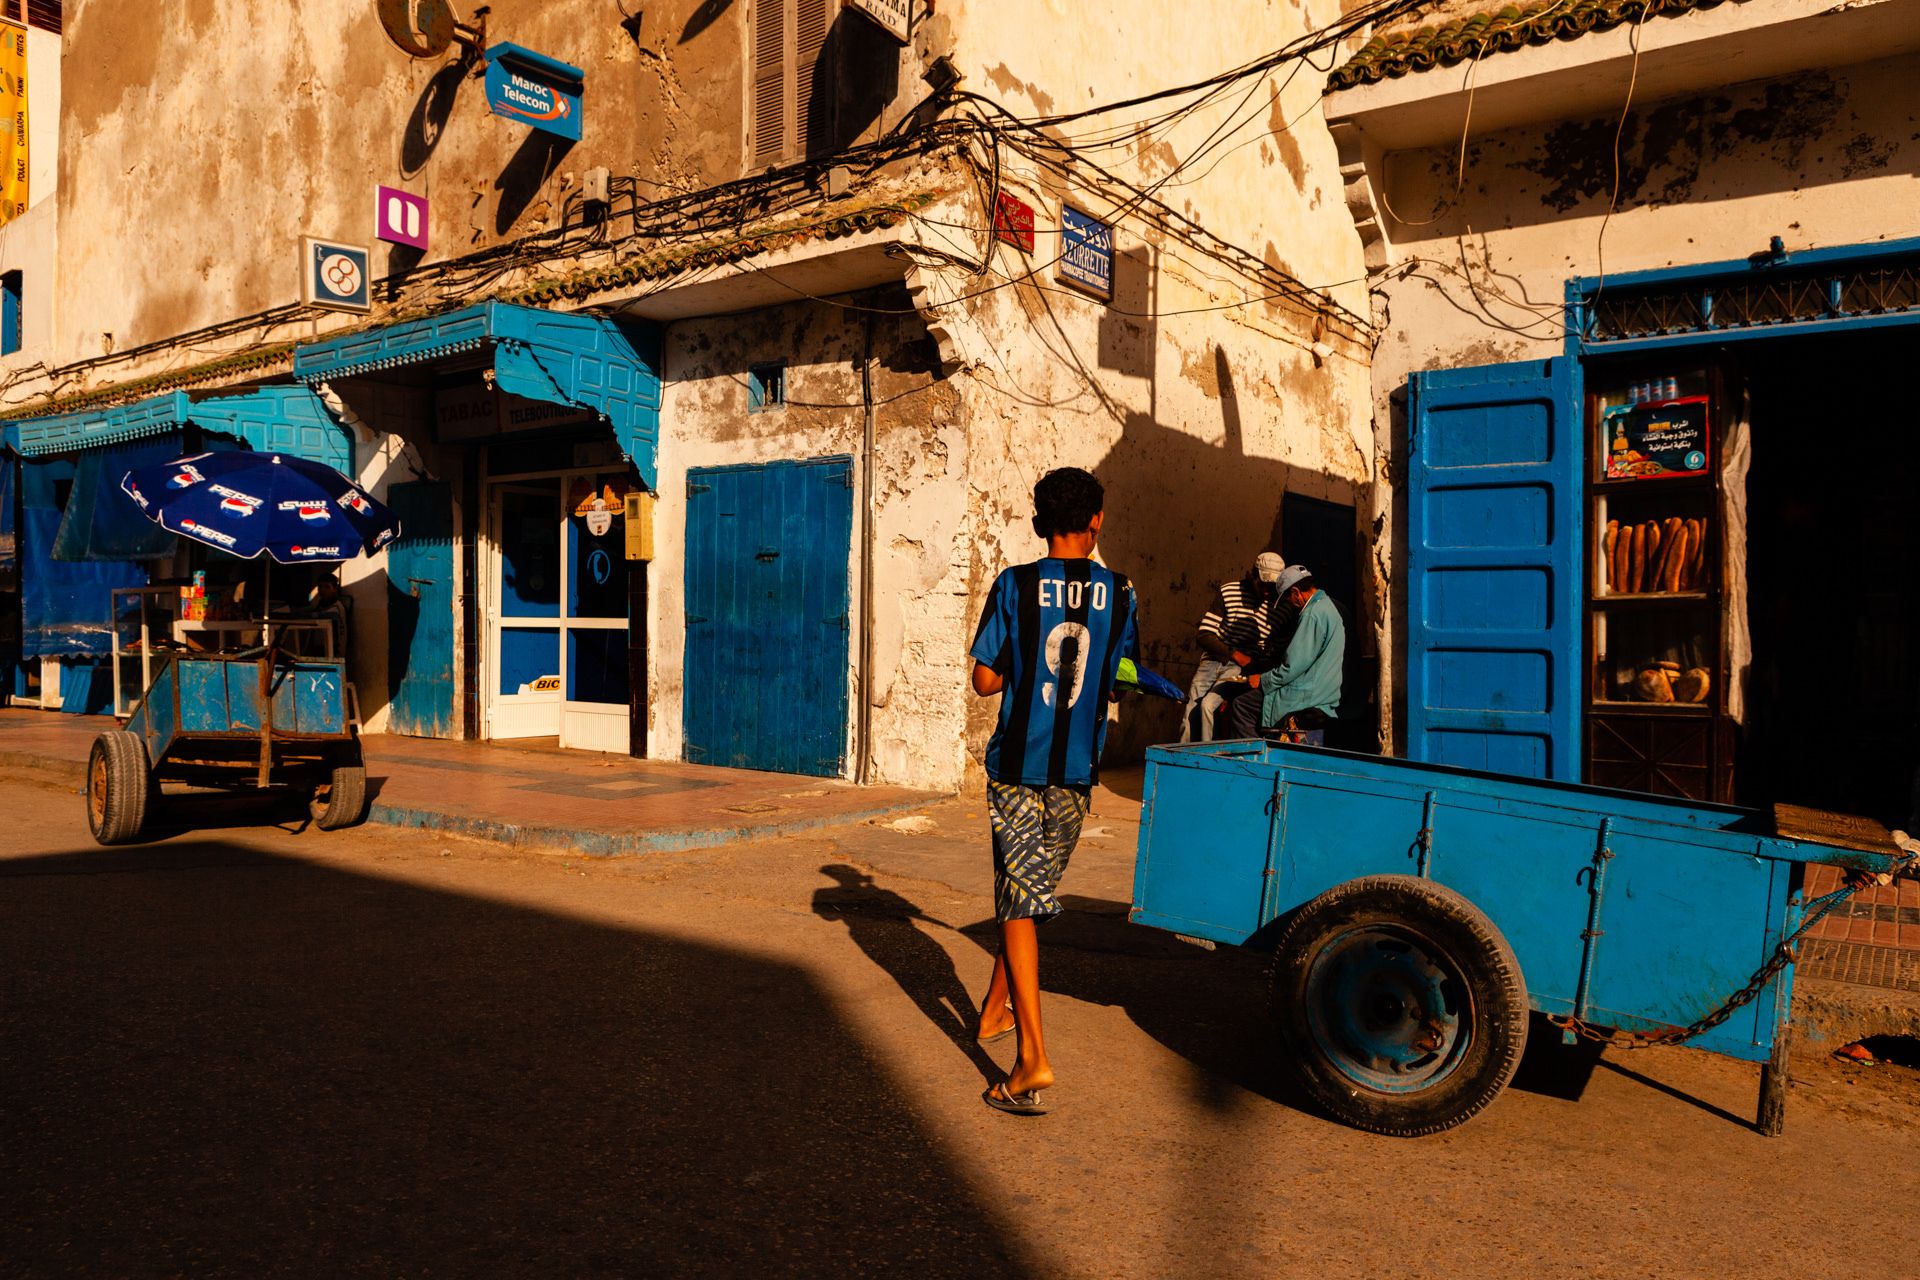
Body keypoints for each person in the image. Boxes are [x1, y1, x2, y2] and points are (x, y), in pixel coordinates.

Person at [967, 467, 1138, 1116]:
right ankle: (994, 1008)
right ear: (1095, 521)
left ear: (1041, 522)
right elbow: (1119, 680)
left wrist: (1018, 664)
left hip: (1017, 766)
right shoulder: (1122, 594)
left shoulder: (1014, 585)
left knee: (1018, 899)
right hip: (1075, 774)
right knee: (1030, 893)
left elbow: (985, 681)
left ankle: (1031, 1059)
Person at [1181, 551, 1284, 742]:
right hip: (1214, 660)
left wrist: (1252, 666)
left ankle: (1209, 761)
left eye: (1272, 587)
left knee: (1208, 707)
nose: (1267, 592)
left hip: (1242, 669)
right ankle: (1183, 761)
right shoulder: (1229, 591)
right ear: (1252, 575)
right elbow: (1204, 635)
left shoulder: (1280, 608)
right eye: (1263, 585)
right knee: (1190, 714)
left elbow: (1276, 651)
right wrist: (1235, 654)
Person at [1253, 564, 1345, 746]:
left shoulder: (1312, 614)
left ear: (1296, 592)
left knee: (1242, 706)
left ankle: (1249, 764)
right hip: (1323, 695)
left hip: (1308, 696)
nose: (1289, 603)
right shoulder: (1327, 606)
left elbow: (1292, 666)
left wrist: (1263, 680)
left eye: (1287, 598)